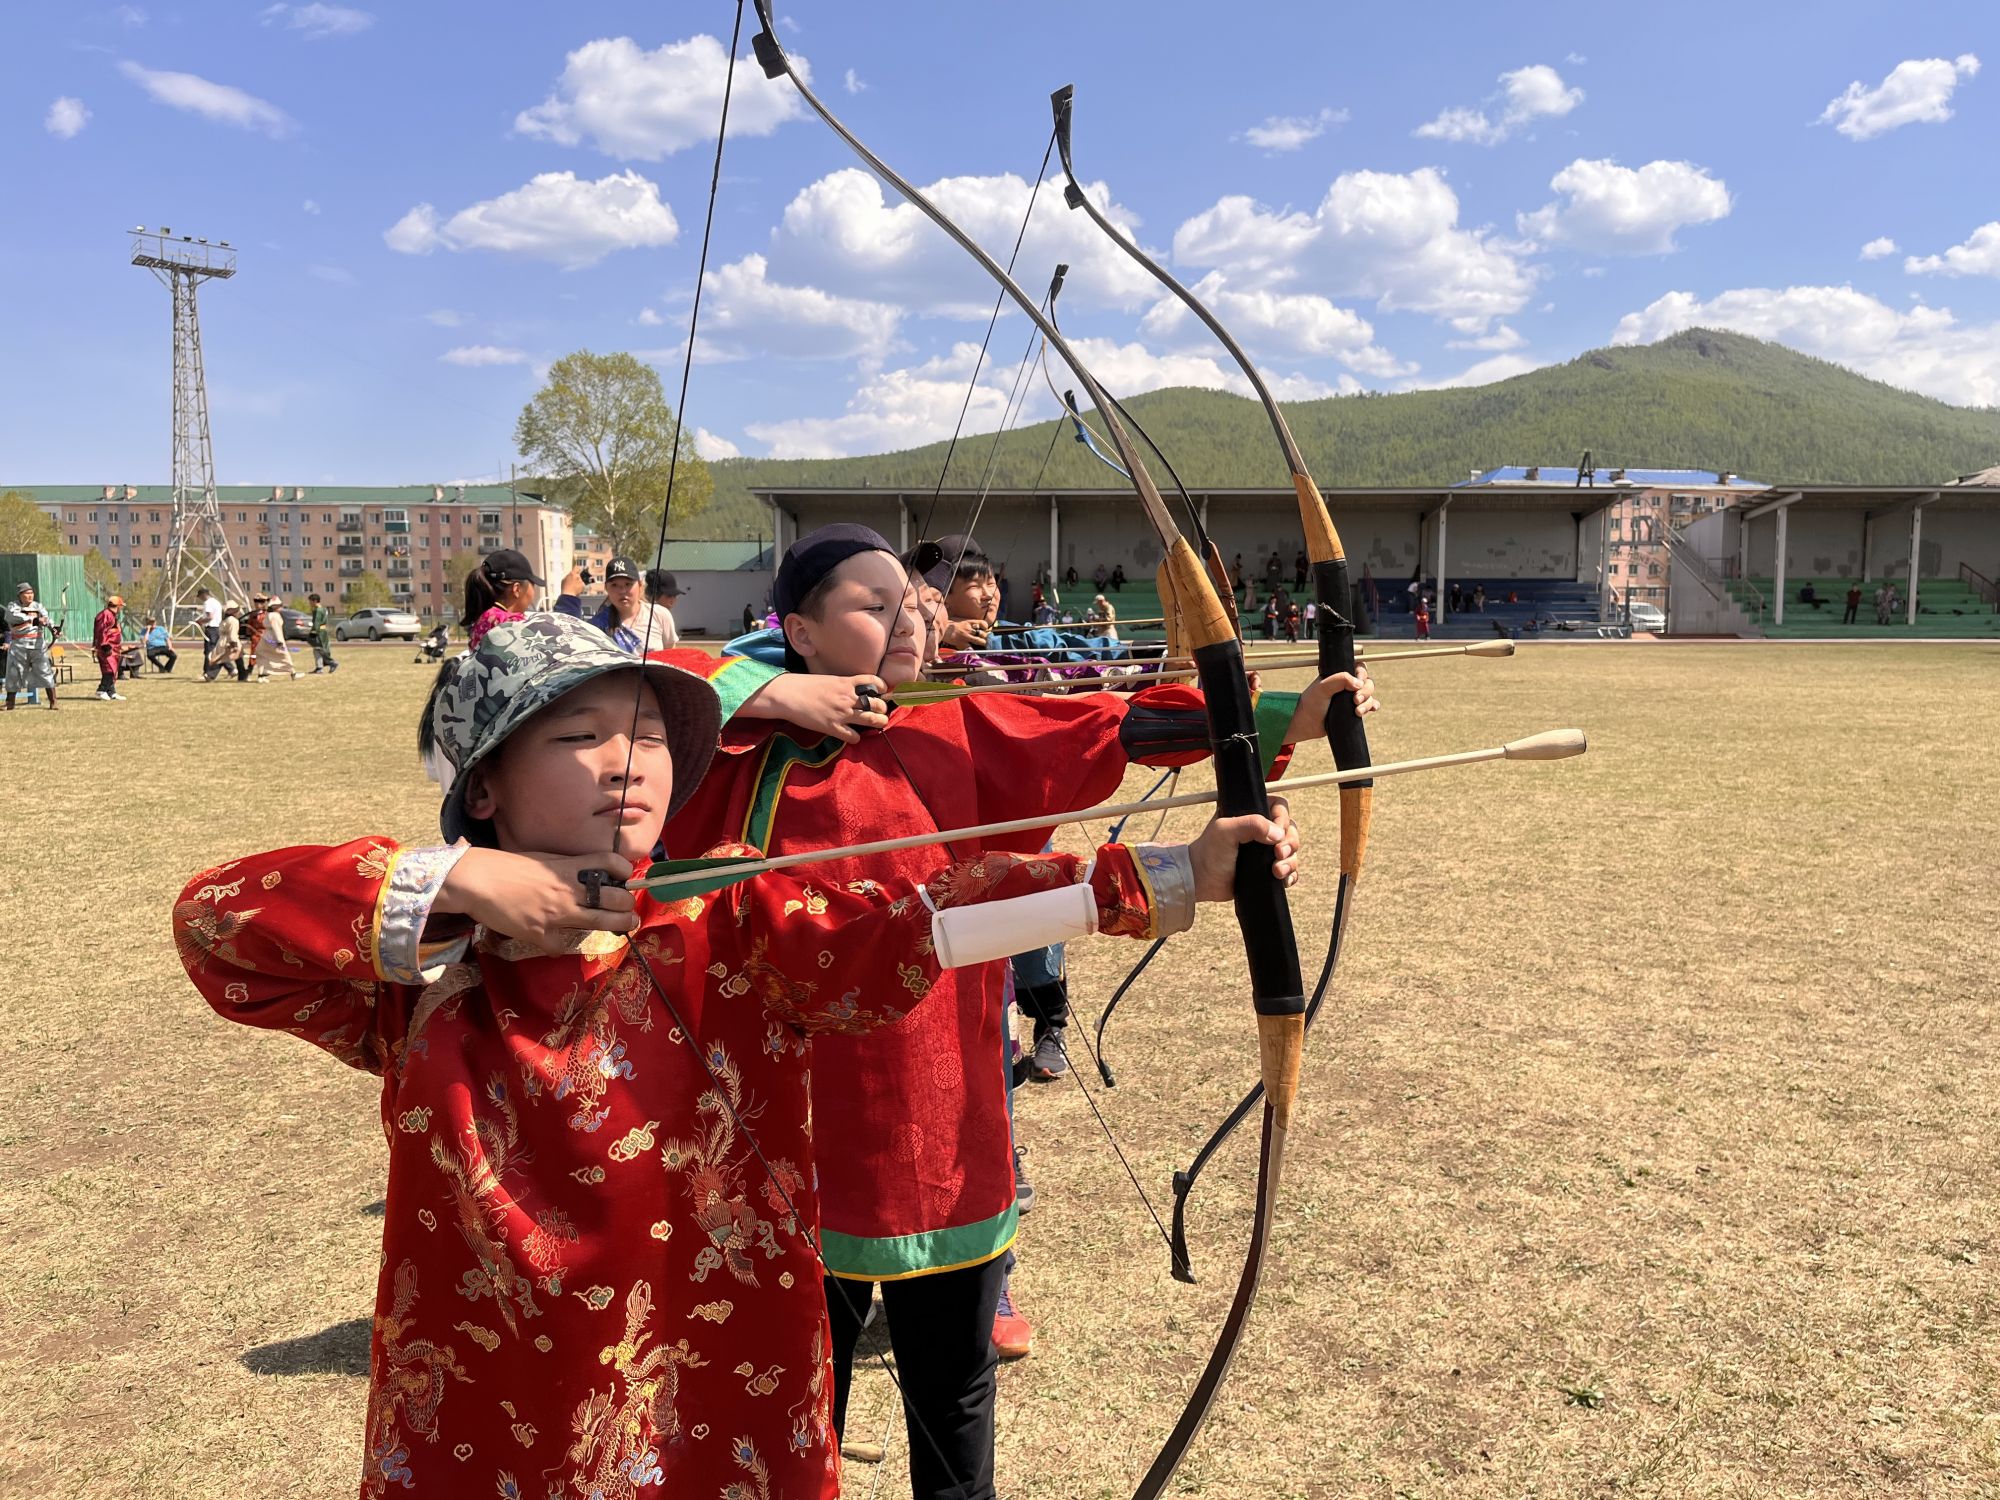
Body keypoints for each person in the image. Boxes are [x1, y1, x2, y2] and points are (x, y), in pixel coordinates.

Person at [176, 607, 1299, 1499]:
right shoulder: (421, 976)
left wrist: (1163, 877)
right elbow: (217, 927)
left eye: (651, 735)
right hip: (482, 1424)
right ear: (484, 786)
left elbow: (927, 917)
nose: (628, 762)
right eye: (577, 736)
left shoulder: (732, 927)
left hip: (715, 1423)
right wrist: (464, 885)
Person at [665, 524, 1357, 1499]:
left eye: (912, 598)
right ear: (799, 632)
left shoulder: (958, 717)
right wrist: (770, 692)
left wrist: (1279, 713)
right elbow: (635, 690)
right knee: (782, 1420)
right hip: (773, 1135)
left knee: (951, 1402)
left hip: (932, 1119)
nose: (908, 613)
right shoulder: (734, 745)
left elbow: (1114, 727)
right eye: (869, 603)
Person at [556, 554, 652, 653]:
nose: (622, 590)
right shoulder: (596, 627)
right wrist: (568, 595)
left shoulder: (659, 615)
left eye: (628, 584)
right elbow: (568, 647)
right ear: (606, 588)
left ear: (640, 585)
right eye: (614, 585)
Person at [459, 547, 546, 650]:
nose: (533, 593)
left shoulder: (485, 618)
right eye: (533, 584)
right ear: (516, 589)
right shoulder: (511, 623)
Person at [4, 582, 57, 711]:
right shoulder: (13, 606)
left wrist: (53, 628)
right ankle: (10, 703)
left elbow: (46, 619)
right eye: (27, 593)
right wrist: (34, 620)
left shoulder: (38, 606)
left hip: (37, 645)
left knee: (45, 671)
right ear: (20, 595)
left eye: (31, 593)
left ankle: (53, 701)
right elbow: (13, 617)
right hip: (19, 645)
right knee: (14, 673)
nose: (30, 596)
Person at [255, 600, 301, 682]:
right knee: (284, 656)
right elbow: (276, 629)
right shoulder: (275, 616)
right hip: (273, 638)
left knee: (263, 655)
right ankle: (293, 673)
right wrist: (279, 641)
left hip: (266, 638)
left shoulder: (268, 614)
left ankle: (261, 675)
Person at [641, 568, 684, 652]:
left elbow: (670, 651)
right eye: (669, 595)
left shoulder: (664, 615)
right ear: (654, 595)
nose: (673, 600)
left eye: (675, 596)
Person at [93, 594, 126, 701]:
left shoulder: (112, 615)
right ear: (118, 606)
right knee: (109, 670)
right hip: (106, 648)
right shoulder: (105, 615)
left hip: (114, 647)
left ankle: (111, 691)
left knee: (114, 669)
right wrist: (105, 646)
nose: (121, 609)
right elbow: (101, 631)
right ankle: (101, 690)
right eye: (121, 606)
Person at [204, 603, 242, 682]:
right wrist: (234, 644)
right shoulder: (233, 620)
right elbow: (233, 634)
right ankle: (211, 675)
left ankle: (236, 672)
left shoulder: (225, 619)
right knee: (225, 658)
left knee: (223, 657)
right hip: (229, 641)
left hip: (222, 641)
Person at [306, 592, 338, 673]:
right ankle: (319, 667)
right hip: (323, 631)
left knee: (319, 649)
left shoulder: (318, 610)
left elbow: (316, 623)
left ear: (315, 601)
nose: (309, 603)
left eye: (310, 601)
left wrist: (313, 632)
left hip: (319, 632)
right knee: (317, 649)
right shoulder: (323, 609)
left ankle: (331, 662)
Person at [236, 597, 265, 683]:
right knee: (253, 656)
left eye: (260, 602)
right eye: (256, 602)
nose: (257, 604)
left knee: (263, 657)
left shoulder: (266, 614)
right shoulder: (253, 614)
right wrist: (249, 636)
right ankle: (248, 673)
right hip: (255, 638)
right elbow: (249, 625)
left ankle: (262, 674)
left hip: (264, 637)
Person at [195, 587, 222, 667]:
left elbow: (210, 617)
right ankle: (230, 669)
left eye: (200, 596)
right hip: (217, 628)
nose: (200, 598)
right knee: (215, 650)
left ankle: (207, 671)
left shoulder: (208, 603)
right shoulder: (216, 602)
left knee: (209, 651)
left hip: (211, 629)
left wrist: (200, 621)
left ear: (204, 595)